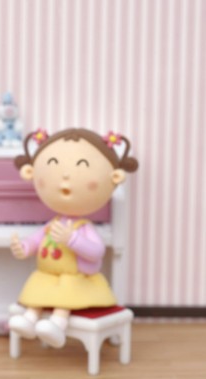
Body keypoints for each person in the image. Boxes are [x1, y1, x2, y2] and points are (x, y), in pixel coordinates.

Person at [8, 128, 139, 348]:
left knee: (66, 297)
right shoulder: (53, 223)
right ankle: (29, 320)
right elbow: (37, 240)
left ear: (115, 177)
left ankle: (57, 326)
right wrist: (24, 247)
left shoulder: (84, 227)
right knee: (38, 293)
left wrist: (72, 240)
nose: (66, 177)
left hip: (74, 279)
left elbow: (97, 252)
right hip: (48, 277)